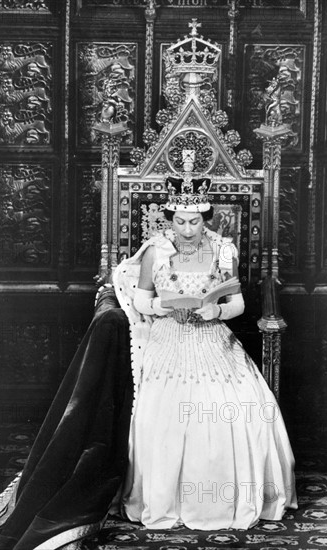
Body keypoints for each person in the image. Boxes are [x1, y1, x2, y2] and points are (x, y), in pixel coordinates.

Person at [113, 175, 298, 530]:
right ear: (169, 219)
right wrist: (165, 309)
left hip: (212, 335)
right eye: (179, 221)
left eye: (194, 221)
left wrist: (216, 311)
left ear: (206, 218)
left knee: (241, 408)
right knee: (163, 414)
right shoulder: (156, 250)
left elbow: (239, 303)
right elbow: (141, 298)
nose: (186, 230)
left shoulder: (223, 249)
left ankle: (229, 500)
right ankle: (167, 499)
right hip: (170, 335)